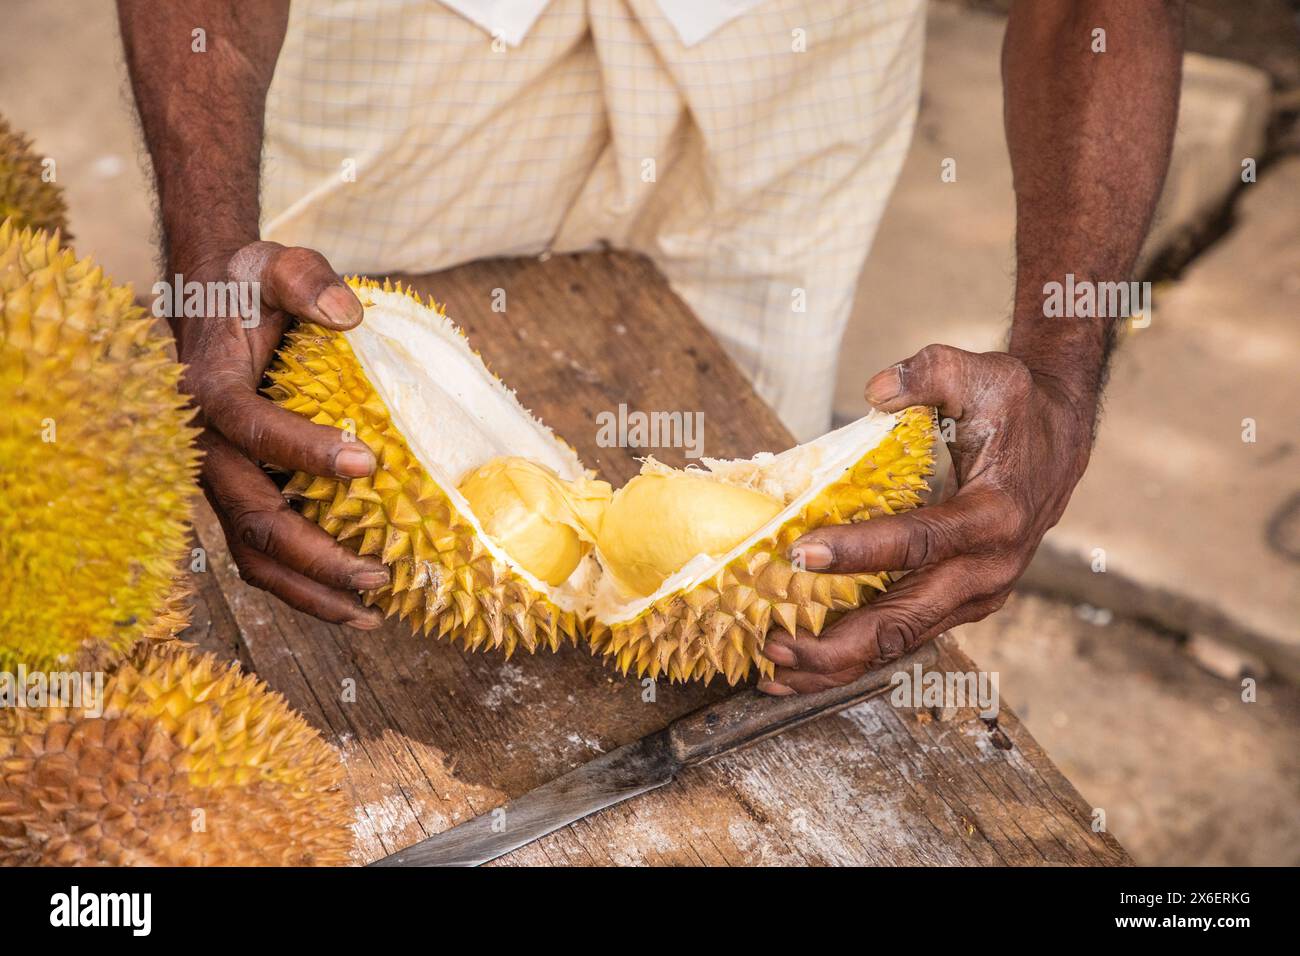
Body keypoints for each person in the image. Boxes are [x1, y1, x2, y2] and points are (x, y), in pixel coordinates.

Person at [117, 0, 1184, 694]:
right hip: (409, 45)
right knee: (310, 458)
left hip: (799, 66)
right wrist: (212, 245)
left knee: (757, 441)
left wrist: (1058, 364)